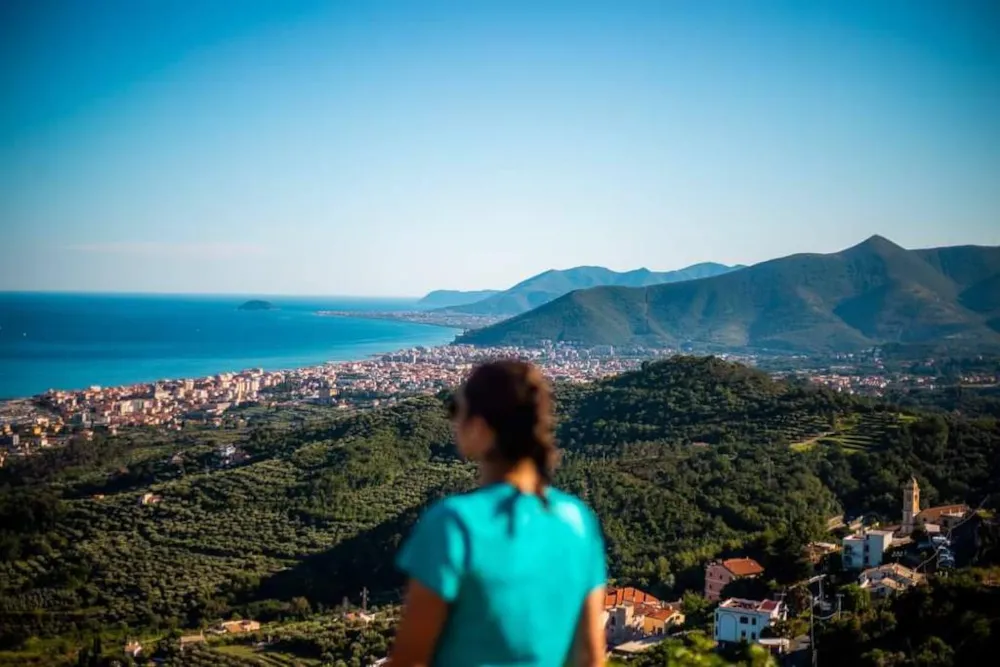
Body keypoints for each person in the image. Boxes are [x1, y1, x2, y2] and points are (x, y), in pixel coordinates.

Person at [390, 360, 607, 667]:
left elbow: (410, 662)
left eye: (456, 410)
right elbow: (591, 659)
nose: (454, 423)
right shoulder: (578, 521)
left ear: (480, 428)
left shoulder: (455, 524)